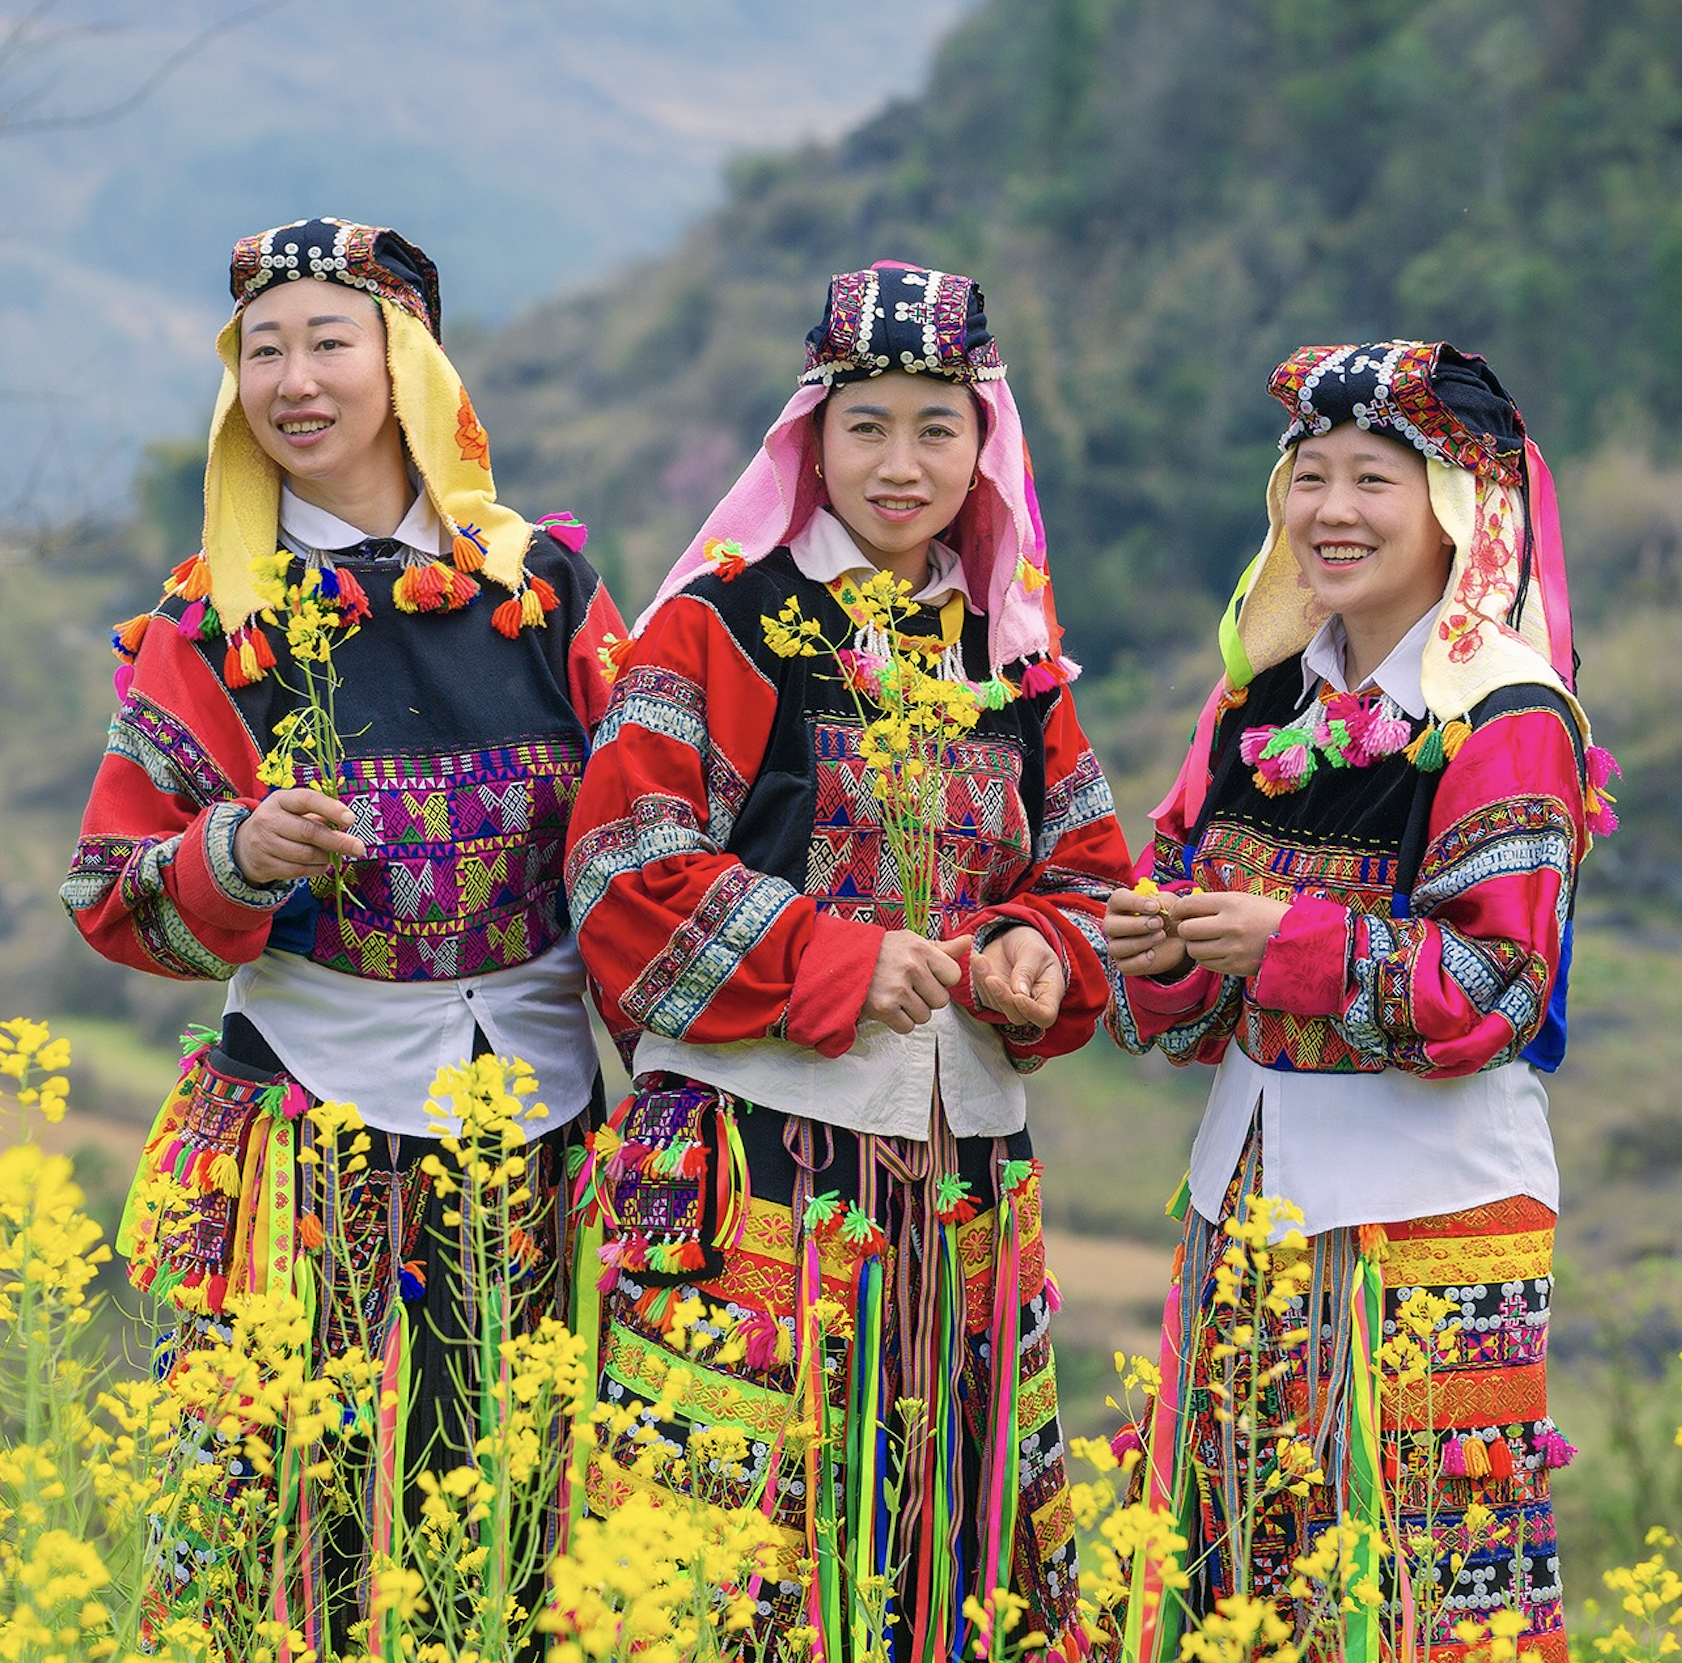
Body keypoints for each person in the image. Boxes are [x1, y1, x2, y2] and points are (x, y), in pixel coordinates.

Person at [61, 217, 628, 1649]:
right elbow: (109, 889)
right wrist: (238, 853)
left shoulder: (544, 588)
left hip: (541, 1132)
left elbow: (648, 835)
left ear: (411, 365)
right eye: (264, 350)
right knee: (285, 1522)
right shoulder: (211, 625)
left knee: (513, 1517)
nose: (295, 380)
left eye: (332, 341)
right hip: (311, 1128)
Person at [565, 262, 1132, 1659]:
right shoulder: (716, 624)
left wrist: (1032, 956)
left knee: (958, 1561)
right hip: (750, 1166)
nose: (901, 462)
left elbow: (1090, 879)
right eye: (866, 424)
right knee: (730, 1568)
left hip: (963, 1187)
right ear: (810, 436)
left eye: (938, 428)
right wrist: (831, 958)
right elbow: (622, 864)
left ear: (983, 445)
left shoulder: (1013, 659)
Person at [1101, 343, 1617, 1660]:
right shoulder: (1258, 703)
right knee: (1241, 1573)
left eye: (1372, 478)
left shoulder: (1506, 716)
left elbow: (1499, 987)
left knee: (1434, 1585)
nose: (1331, 508)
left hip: (1430, 1218)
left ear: (1452, 507)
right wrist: (1164, 950)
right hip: (1249, 1209)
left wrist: (1288, 943)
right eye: (1307, 475)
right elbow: (1186, 993)